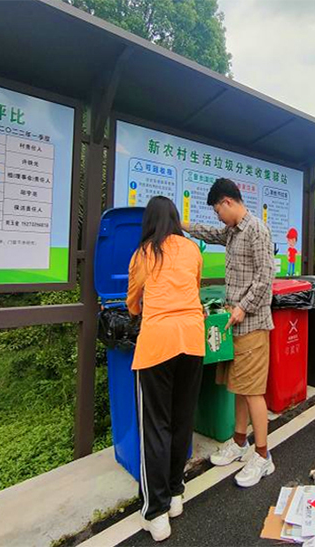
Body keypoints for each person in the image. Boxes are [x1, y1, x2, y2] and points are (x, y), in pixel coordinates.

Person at [183, 178, 275, 488]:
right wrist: (181, 225)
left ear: (228, 202)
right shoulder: (232, 232)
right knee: (239, 386)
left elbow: (266, 278)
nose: (217, 218)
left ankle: (263, 457)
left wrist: (243, 307)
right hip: (234, 325)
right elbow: (209, 234)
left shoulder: (257, 231)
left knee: (253, 392)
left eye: (217, 210)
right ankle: (240, 442)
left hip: (251, 324)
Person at [126, 196, 205, 542]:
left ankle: (155, 512)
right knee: (181, 419)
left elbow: (132, 301)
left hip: (157, 343)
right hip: (192, 340)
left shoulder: (144, 252)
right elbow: (194, 288)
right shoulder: (192, 250)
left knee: (155, 426)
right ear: (175, 219)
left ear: (149, 222)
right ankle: (175, 494)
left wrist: (136, 309)